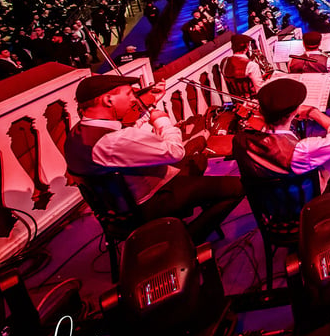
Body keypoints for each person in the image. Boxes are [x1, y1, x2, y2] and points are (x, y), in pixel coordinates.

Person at [64, 73, 244, 233]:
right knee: (238, 186)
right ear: (108, 100)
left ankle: (188, 207)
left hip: (117, 211)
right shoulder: (113, 141)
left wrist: (146, 111)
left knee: (197, 160)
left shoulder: (78, 133)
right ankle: (190, 240)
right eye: (128, 94)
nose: (133, 99)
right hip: (148, 205)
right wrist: (163, 121)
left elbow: (126, 138)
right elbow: (175, 152)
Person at [233, 78, 330, 202]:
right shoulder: (301, 150)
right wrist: (315, 113)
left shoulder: (239, 140)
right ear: (293, 112)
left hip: (270, 205)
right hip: (308, 204)